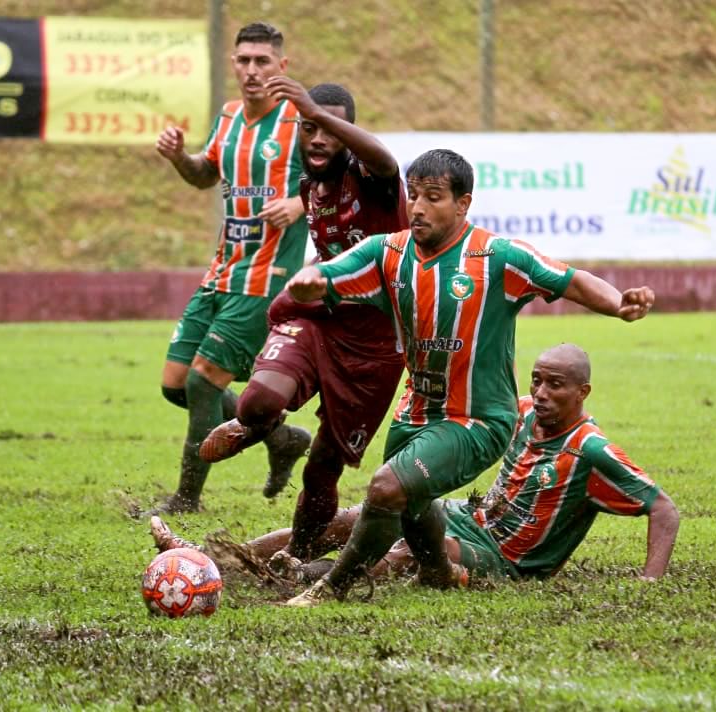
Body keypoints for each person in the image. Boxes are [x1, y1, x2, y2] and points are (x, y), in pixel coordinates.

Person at [278, 149, 656, 606]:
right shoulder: (389, 253)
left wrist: (618, 304)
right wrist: (310, 281)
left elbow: (570, 280)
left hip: (477, 419)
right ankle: (438, 570)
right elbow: (332, 271)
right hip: (415, 410)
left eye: (433, 197)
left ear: (463, 203)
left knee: (386, 487)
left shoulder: (497, 257)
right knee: (411, 505)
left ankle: (330, 588)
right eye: (413, 194)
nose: (417, 207)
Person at [149, 344, 680, 585]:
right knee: (353, 516)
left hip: (508, 562)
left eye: (555, 385)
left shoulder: (591, 449)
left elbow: (663, 508)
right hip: (472, 519)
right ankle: (213, 561)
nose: (539, 393)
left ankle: (299, 578)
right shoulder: (517, 414)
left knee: (409, 548)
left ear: (582, 391)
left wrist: (651, 580)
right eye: (536, 380)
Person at [198, 80, 408, 559]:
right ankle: (263, 429)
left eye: (329, 129)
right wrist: (311, 275)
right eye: (308, 126)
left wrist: (319, 112)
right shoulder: (309, 184)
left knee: (324, 468)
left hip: (375, 346)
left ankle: (298, 557)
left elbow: (387, 160)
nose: (317, 138)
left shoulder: (372, 177)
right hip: (321, 321)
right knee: (258, 400)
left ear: (347, 133)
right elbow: (333, 248)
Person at [153, 22, 311, 513]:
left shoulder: (299, 122)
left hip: (266, 278)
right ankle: (278, 438)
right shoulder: (227, 117)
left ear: (282, 67)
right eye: (243, 61)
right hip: (222, 270)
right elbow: (205, 175)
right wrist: (181, 157)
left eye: (262, 61)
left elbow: (341, 177)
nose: (251, 70)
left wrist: (298, 203)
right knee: (176, 385)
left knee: (204, 381)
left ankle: (186, 499)